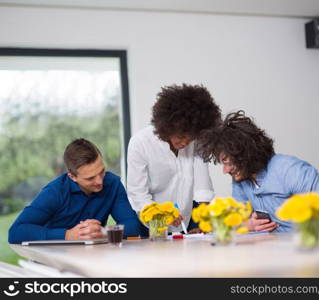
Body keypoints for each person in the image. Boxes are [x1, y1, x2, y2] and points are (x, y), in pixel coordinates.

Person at [196, 110, 319, 233]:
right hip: (287, 253)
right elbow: (239, 219)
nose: (225, 170)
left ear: (245, 155)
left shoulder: (287, 169)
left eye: (228, 163)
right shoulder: (241, 181)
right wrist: (248, 225)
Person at [8, 138, 143, 243]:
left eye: (102, 171)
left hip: (93, 257)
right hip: (54, 259)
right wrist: (68, 235)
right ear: (72, 177)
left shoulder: (113, 184)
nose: (100, 181)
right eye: (90, 178)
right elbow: (15, 232)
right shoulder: (54, 192)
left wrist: (104, 232)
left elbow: (133, 226)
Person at [127, 84, 221, 234]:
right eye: (181, 136)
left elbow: (204, 188)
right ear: (167, 126)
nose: (185, 143)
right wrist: (160, 216)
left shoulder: (196, 142)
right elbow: (138, 194)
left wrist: (203, 226)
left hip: (187, 222)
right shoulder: (140, 143)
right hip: (152, 225)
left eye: (190, 138)